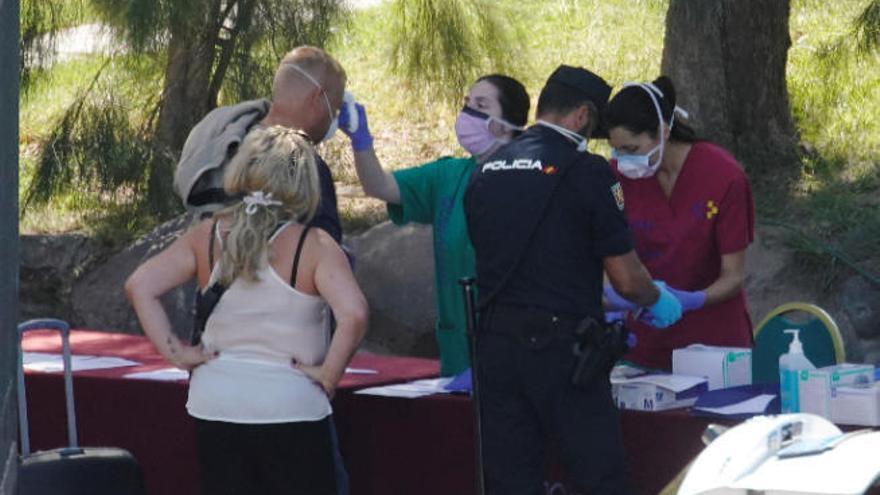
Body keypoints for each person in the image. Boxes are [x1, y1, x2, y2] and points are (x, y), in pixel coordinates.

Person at [463, 65, 683, 494]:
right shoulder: (586, 172)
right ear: (582, 116)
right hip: (561, 353)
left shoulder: (486, 170)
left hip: (494, 351)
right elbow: (625, 277)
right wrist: (654, 298)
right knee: (599, 475)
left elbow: (515, 266)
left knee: (511, 479)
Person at [126, 126, 368, 495]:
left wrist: (176, 354)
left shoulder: (207, 235)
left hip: (216, 401)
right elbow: (354, 315)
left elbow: (139, 285)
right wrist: (329, 375)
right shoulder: (314, 245)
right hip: (291, 402)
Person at [337, 74, 530, 376]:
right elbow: (380, 186)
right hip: (457, 347)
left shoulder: (530, 182)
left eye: (481, 105)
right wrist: (361, 141)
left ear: (508, 124)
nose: (468, 114)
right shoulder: (449, 176)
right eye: (466, 103)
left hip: (514, 347)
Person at [603, 76, 755, 370]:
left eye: (631, 150)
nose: (623, 160)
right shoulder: (616, 178)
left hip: (715, 346)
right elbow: (607, 254)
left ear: (661, 131)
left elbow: (733, 276)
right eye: (616, 150)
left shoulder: (724, 177)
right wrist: (618, 299)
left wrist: (692, 300)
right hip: (644, 344)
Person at [174, 45, 346, 243]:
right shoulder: (304, 165)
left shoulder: (220, 136)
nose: (334, 118)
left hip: (208, 264)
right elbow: (325, 248)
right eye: (335, 109)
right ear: (317, 98)